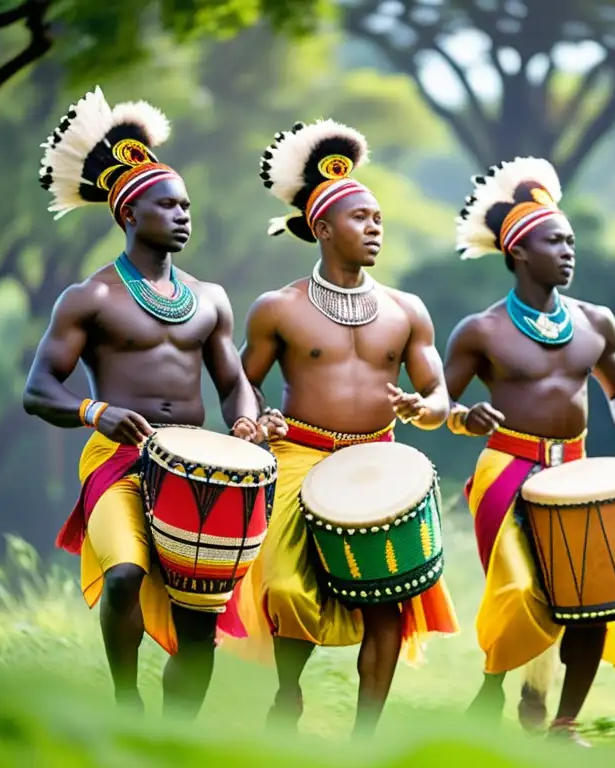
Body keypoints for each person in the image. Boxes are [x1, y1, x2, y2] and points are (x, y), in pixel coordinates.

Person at [23, 87, 284, 717]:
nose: (183, 215)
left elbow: (230, 382)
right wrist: (95, 412)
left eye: (187, 205)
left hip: (198, 465)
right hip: (115, 460)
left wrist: (246, 420)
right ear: (129, 215)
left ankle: (177, 738)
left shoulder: (211, 297)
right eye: (168, 204)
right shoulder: (89, 298)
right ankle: (124, 702)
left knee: (200, 623)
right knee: (124, 576)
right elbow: (38, 390)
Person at [220, 119, 459, 737]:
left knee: (389, 603)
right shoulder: (280, 307)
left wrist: (426, 410)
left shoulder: (409, 311)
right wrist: (252, 420)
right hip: (300, 456)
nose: (376, 226)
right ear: (322, 228)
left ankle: (364, 739)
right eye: (361, 218)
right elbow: (242, 380)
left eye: (380, 217)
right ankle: (286, 693)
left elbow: (437, 393)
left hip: (380, 461)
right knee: (284, 588)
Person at [442, 156, 615, 745]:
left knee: (593, 597)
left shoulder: (597, 322)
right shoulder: (481, 331)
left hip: (576, 471)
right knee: (516, 591)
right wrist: (463, 416)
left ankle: (561, 722)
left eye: (571, 240)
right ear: (520, 252)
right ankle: (492, 686)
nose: (569, 251)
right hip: (506, 468)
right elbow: (438, 407)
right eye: (555, 241)